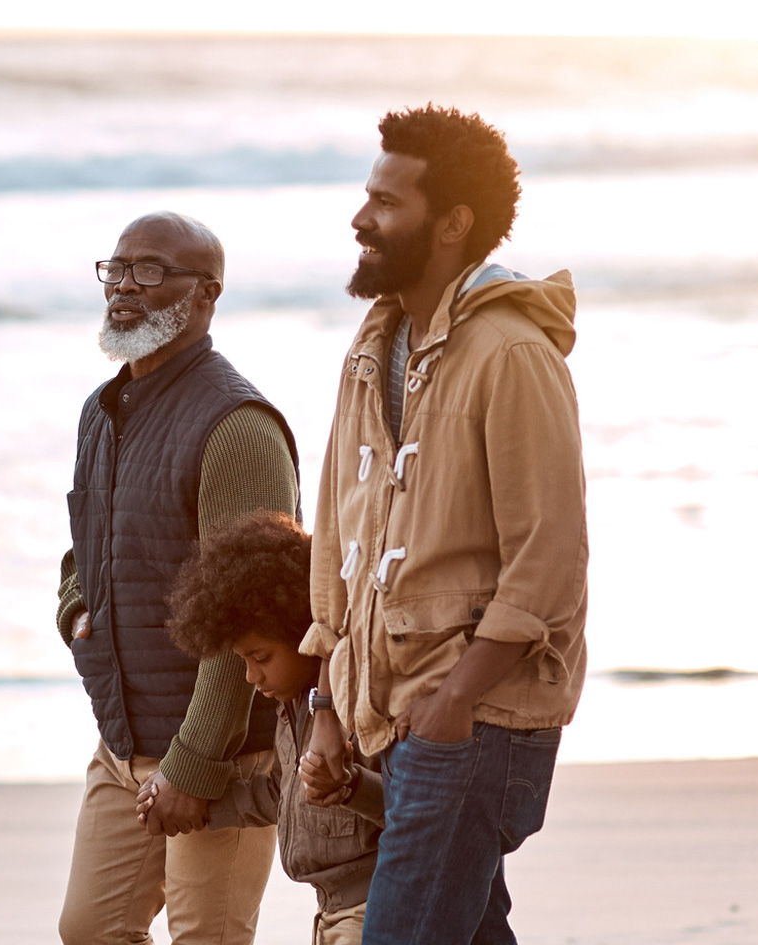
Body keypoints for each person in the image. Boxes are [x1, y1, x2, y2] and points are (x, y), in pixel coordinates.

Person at [298, 105, 589, 944]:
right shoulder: (373, 348)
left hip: (472, 722)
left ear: (453, 223)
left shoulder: (511, 353)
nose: (362, 219)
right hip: (392, 718)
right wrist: (326, 701)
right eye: (367, 197)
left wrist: (458, 697)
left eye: (387, 203)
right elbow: (337, 535)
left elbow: (551, 554)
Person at [56, 211, 301, 945]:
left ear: (207, 293)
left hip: (218, 752)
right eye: (118, 268)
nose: (126, 286)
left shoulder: (238, 426)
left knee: (209, 939)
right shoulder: (101, 412)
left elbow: (248, 618)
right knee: (91, 929)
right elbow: (86, 547)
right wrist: (74, 612)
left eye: (154, 271)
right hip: (121, 740)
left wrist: (194, 765)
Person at [149, 510, 384, 945]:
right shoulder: (292, 708)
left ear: (302, 632)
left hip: (373, 908)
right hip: (328, 912)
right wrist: (204, 808)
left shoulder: (357, 704)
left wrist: (350, 784)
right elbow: (281, 792)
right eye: (243, 661)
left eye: (261, 658)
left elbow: (412, 808)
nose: (251, 678)